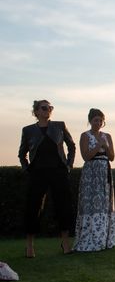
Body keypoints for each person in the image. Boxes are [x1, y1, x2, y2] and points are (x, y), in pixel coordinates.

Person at [18, 100, 76, 257]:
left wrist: (69, 165)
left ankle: (65, 243)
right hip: (38, 173)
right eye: (44, 108)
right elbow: (22, 153)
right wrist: (27, 168)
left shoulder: (59, 126)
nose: (48, 110)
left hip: (58, 172)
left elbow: (71, 145)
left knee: (63, 206)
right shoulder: (28, 130)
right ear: (36, 111)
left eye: (50, 108)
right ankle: (29, 245)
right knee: (33, 207)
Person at [73, 108, 115, 252]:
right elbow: (86, 156)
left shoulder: (107, 136)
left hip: (104, 171)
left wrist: (105, 146)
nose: (98, 122)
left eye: (100, 120)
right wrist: (98, 145)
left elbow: (112, 157)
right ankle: (89, 239)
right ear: (90, 121)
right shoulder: (85, 136)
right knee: (90, 203)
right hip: (91, 173)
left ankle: (104, 240)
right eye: (95, 120)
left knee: (104, 204)